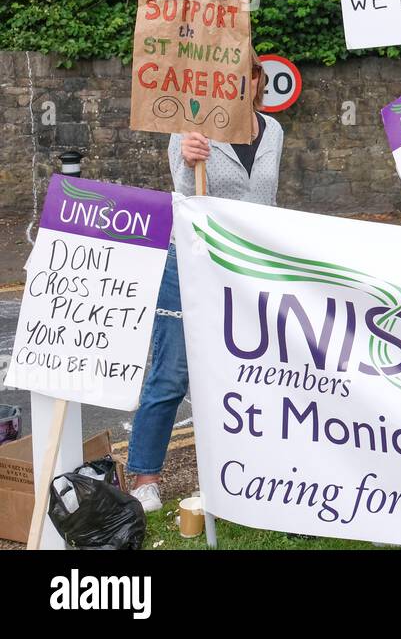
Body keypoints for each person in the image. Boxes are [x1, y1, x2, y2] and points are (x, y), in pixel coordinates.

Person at [129, 53, 283, 512]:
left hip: (249, 266)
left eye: (250, 73)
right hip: (192, 261)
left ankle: (247, 468)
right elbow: (182, 195)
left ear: (258, 80)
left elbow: (268, 198)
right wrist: (186, 158)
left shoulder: (273, 130)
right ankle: (145, 479)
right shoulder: (191, 128)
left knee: (253, 370)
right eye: (231, 74)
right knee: (172, 371)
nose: (241, 81)